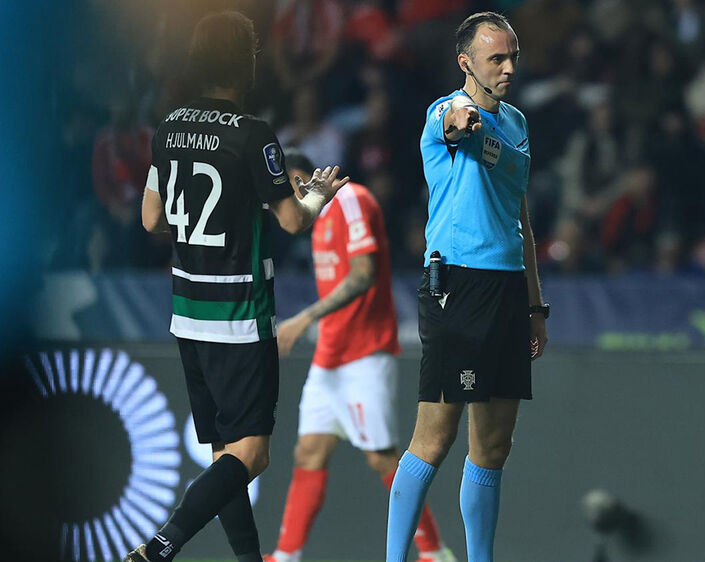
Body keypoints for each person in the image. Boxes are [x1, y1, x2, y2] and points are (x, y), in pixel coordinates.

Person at [127, 11, 349, 562]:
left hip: (187, 311)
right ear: (244, 62)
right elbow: (294, 221)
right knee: (250, 456)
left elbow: (151, 219)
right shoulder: (253, 135)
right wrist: (318, 195)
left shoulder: (168, 127)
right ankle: (159, 548)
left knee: (226, 455)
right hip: (238, 312)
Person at [385, 12, 549, 562]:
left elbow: (520, 220)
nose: (507, 68)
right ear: (466, 64)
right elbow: (455, 123)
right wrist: (464, 122)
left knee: (494, 446)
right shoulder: (446, 112)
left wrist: (535, 305)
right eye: (495, 59)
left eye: (512, 57)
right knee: (434, 438)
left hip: (506, 291)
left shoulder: (518, 124)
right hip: (456, 285)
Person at [263, 151, 455, 562]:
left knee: (381, 457)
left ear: (303, 179)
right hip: (330, 357)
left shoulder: (351, 199)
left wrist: (304, 319)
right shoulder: (316, 222)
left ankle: (434, 552)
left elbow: (364, 274)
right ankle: (286, 556)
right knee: (309, 451)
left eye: (289, 189)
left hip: (366, 353)